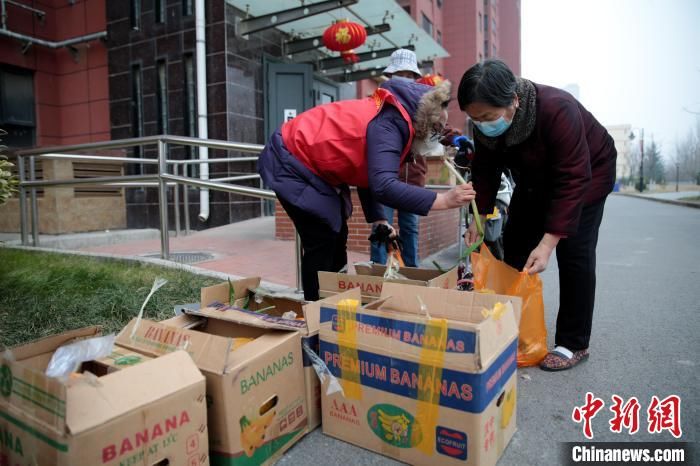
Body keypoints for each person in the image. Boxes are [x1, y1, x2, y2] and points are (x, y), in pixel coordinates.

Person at [459, 59, 617, 372]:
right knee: (515, 240)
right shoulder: (485, 125)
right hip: (534, 180)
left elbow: (573, 177)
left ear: (514, 101)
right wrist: (478, 219)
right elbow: (485, 171)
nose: (481, 124)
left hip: (587, 175)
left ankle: (574, 342)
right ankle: (510, 322)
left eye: (488, 117)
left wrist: (547, 244)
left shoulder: (557, 109)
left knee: (575, 252)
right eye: (474, 119)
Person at [259, 78, 476, 301]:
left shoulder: (396, 115)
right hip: (290, 158)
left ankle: (334, 301)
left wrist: (380, 220)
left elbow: (367, 174)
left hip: (310, 164)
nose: (435, 137)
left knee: (336, 234)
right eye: (436, 130)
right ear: (424, 122)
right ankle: (317, 312)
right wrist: (442, 200)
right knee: (322, 238)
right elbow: (384, 185)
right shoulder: (391, 125)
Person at [370, 49, 432, 267]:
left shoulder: (423, 103)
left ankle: (412, 273)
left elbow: (439, 127)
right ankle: (376, 275)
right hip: (386, 177)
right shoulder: (378, 101)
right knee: (381, 227)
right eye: (400, 74)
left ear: (415, 78)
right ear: (390, 76)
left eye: (409, 75)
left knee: (410, 229)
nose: (405, 79)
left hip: (413, 179)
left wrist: (454, 140)